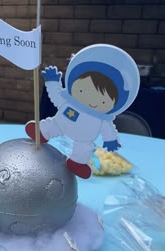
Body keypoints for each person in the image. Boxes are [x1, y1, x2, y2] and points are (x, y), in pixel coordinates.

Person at [26, 44, 140, 179]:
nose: (92, 100)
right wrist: (52, 81)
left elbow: (108, 129)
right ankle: (41, 132)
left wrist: (110, 140)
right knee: (52, 125)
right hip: (60, 124)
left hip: (84, 139)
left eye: (102, 101)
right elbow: (56, 95)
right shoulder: (68, 101)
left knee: (83, 149)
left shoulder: (102, 119)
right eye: (82, 91)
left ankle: (77, 163)